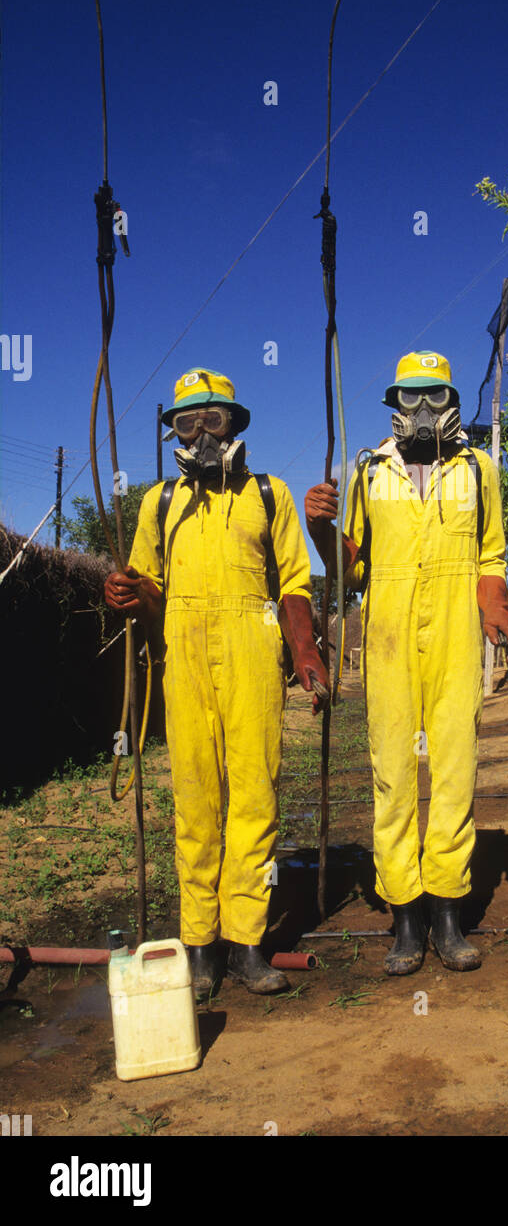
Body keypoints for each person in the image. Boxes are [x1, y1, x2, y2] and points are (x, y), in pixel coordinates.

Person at [105, 368, 328, 997]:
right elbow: (150, 588)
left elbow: (293, 581)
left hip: (252, 651)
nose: (201, 433)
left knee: (255, 797)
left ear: (235, 425)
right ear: (173, 431)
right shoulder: (161, 502)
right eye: (187, 422)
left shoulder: (269, 494)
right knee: (196, 802)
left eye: (214, 420)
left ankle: (247, 943)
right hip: (184, 655)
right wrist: (129, 591)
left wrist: (305, 649)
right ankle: (200, 946)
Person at [305, 351, 508, 975]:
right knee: (393, 771)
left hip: (455, 633)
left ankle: (449, 913)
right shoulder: (369, 472)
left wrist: (498, 610)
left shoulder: (479, 469)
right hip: (390, 634)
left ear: (453, 402)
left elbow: (492, 555)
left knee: (456, 764)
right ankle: (406, 917)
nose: (423, 411)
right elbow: (349, 568)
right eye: (410, 399)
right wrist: (322, 529)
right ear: (393, 405)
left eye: (434, 397)